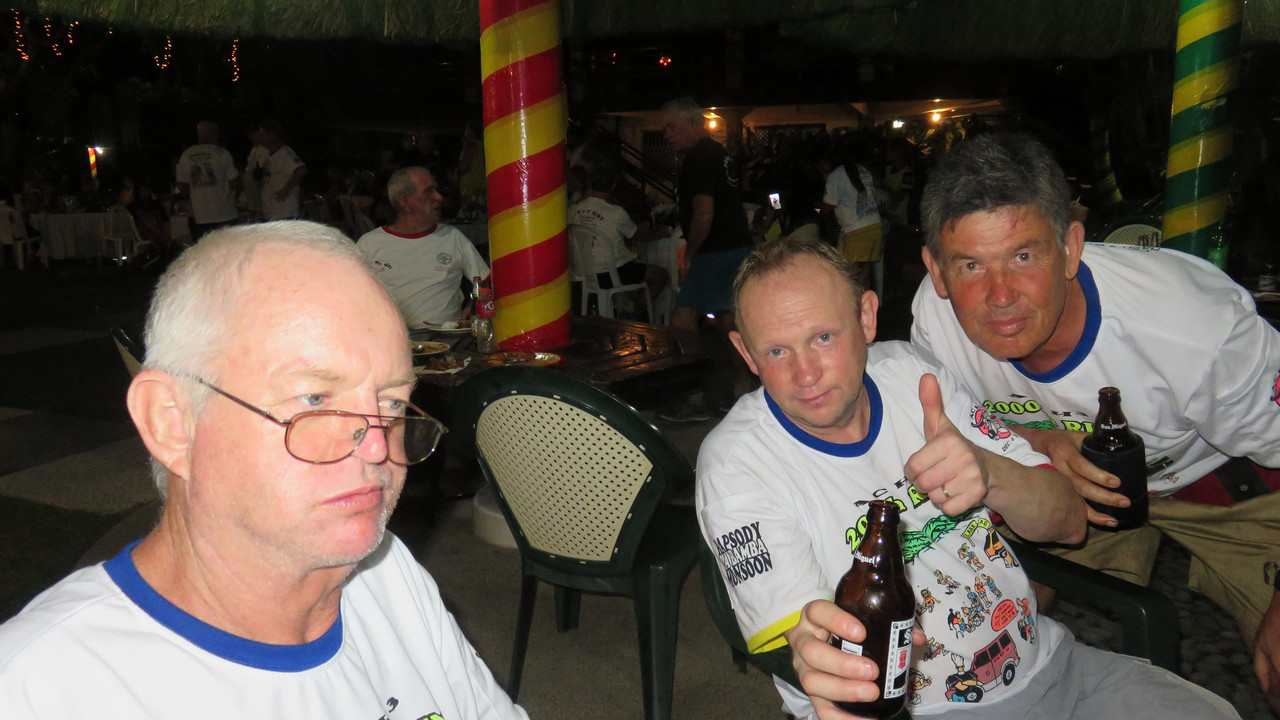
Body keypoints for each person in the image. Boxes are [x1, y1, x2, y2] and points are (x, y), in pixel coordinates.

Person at [0, 221, 529, 719]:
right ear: (172, 422)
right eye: (314, 399)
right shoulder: (43, 690)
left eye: (391, 402)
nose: (376, 447)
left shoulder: (387, 575)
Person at [696, 236, 1238, 720]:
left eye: (822, 337)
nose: (805, 374)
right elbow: (802, 638)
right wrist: (821, 663)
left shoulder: (915, 376)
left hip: (1055, 665)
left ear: (866, 318)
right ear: (745, 352)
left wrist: (990, 471)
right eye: (776, 350)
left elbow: (1069, 524)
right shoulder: (737, 464)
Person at [909, 131, 1280, 712]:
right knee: (974, 625)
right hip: (1071, 484)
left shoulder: (1192, 323)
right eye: (971, 265)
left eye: (1023, 256)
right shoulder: (935, 320)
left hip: (1225, 483)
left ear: (1071, 247)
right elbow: (961, 429)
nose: (999, 295)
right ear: (936, 270)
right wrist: (1038, 442)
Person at [657, 96, 754, 422]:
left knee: (682, 318)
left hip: (714, 250)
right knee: (728, 321)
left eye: (671, 127)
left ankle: (693, 398)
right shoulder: (718, 153)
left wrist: (691, 252)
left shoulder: (698, 157)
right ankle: (742, 390)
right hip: (736, 245)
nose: (667, 135)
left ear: (693, 123)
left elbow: (704, 211)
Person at [357, 166, 490, 327]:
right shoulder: (370, 244)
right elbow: (351, 295)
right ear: (405, 202)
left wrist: (473, 305)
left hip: (447, 338)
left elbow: (486, 281)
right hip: (393, 337)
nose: (439, 197)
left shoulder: (452, 237)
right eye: (429, 191)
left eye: (437, 190)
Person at [567, 163, 667, 302]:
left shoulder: (572, 210)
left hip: (580, 273)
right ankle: (636, 310)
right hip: (607, 275)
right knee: (660, 274)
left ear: (589, 183)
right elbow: (641, 236)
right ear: (613, 186)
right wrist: (662, 232)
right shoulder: (616, 213)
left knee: (632, 265)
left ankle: (625, 307)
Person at [821, 136, 882, 294]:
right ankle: (865, 305)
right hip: (874, 226)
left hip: (856, 231)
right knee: (864, 277)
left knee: (848, 278)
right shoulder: (863, 170)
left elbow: (828, 206)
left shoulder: (836, 175)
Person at [175, 120, 241, 240]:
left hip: (200, 215)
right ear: (214, 134)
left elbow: (181, 185)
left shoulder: (186, 155)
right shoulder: (222, 153)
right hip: (224, 213)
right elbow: (234, 182)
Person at [252, 120, 308, 221]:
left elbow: (301, 170)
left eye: (263, 135)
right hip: (271, 209)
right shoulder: (265, 154)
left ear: (272, 135)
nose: (260, 138)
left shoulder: (285, 153)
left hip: (284, 210)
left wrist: (285, 190)